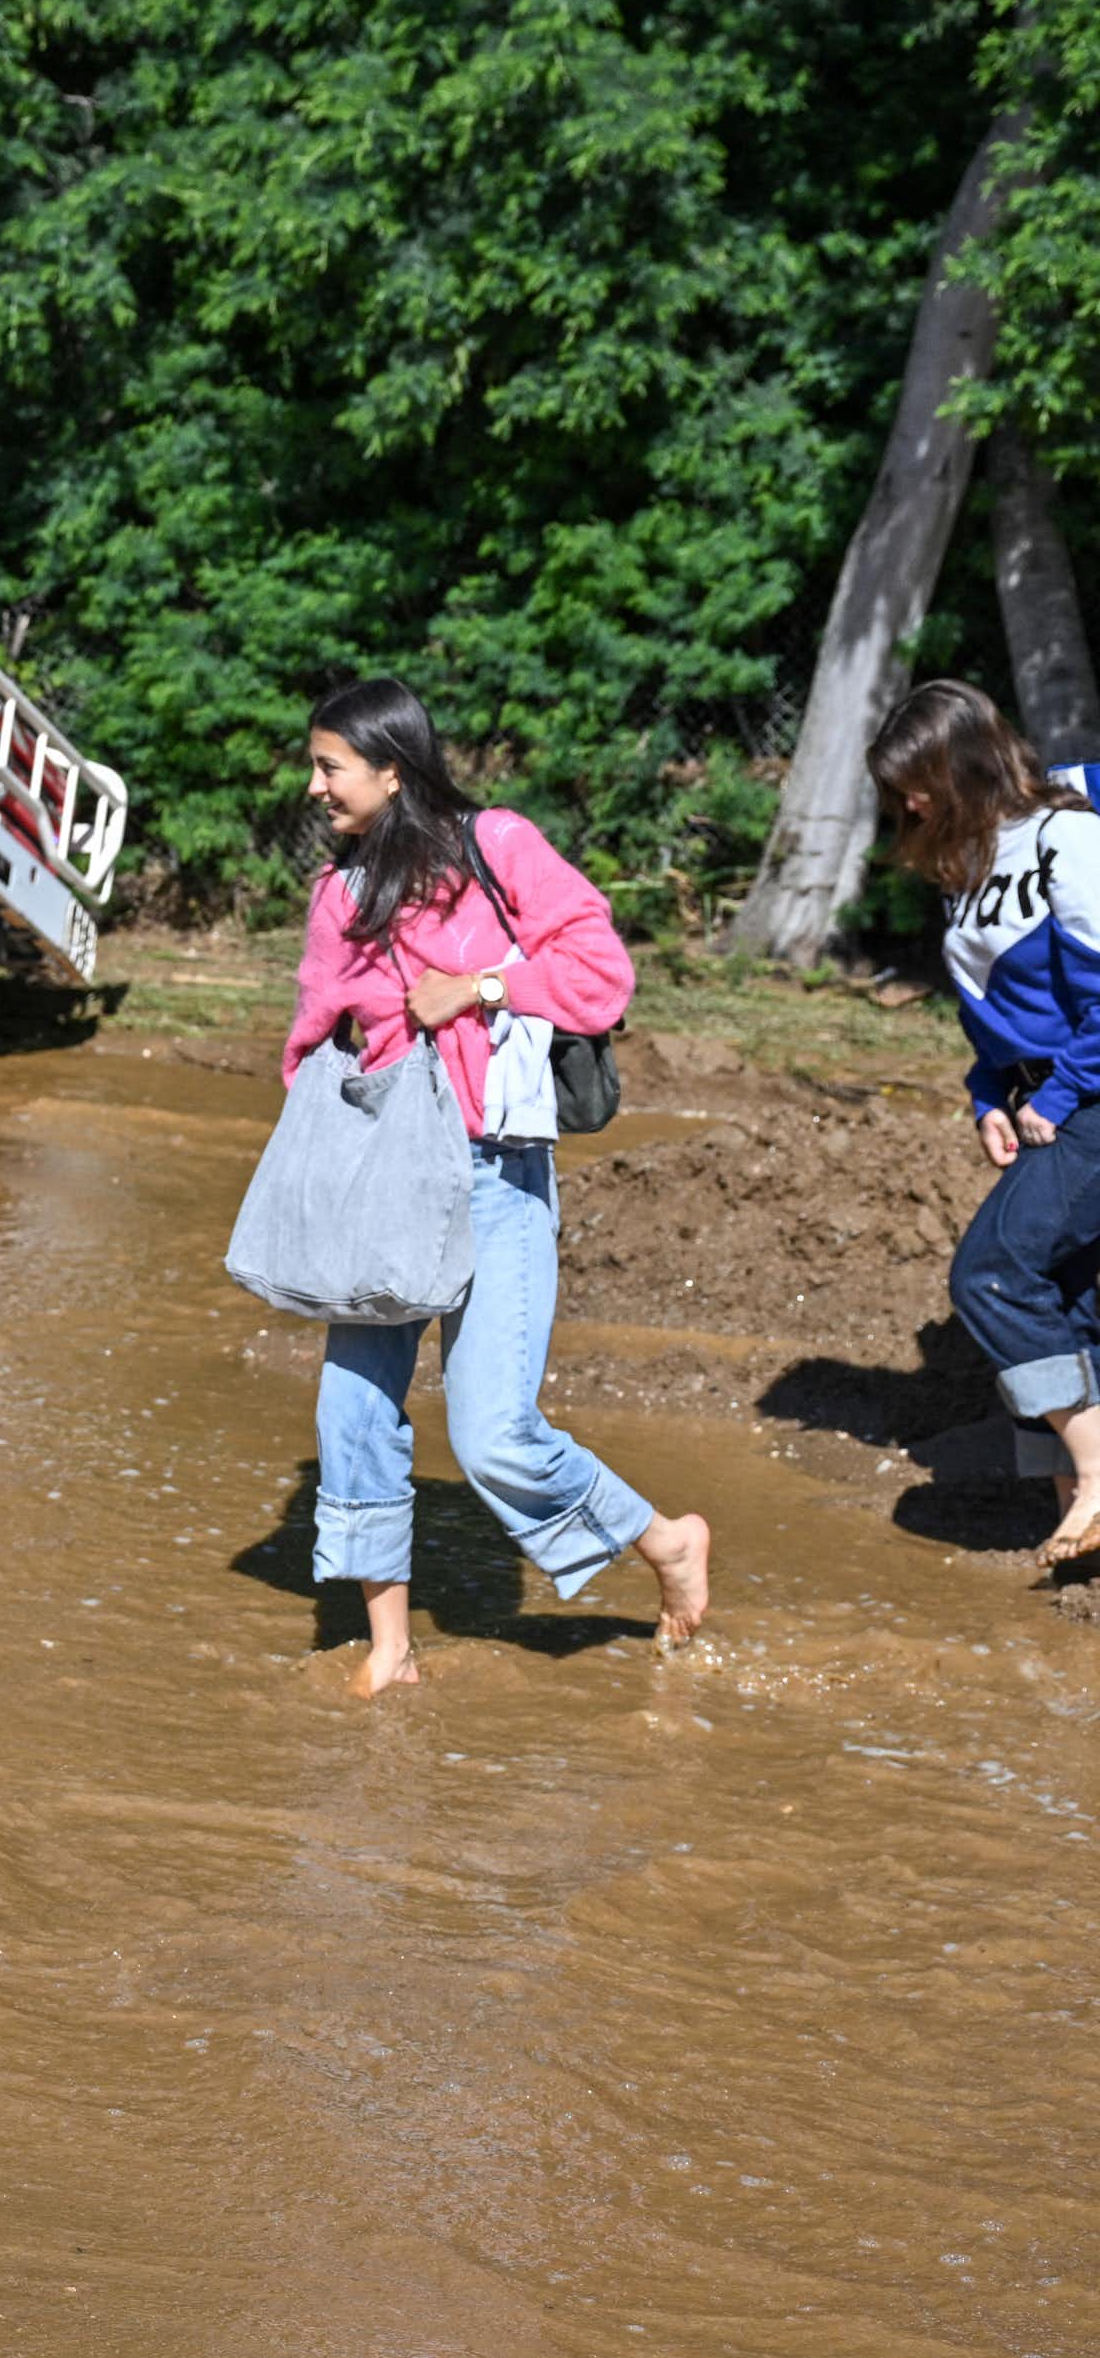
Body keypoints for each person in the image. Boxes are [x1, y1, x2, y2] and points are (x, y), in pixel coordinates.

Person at [281, 677, 713, 1696]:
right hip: (383, 1185)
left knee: (492, 1435)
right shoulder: (336, 898)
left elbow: (599, 975)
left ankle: (663, 1540)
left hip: (496, 1175)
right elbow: (306, 1046)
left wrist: (478, 987)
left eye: (329, 767)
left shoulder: (498, 847)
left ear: (392, 770)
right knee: (351, 1412)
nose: (313, 788)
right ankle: (389, 1651)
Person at [868, 679, 1100, 1562]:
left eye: (916, 783)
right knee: (1065, 1295)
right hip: (1047, 1098)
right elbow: (996, 1020)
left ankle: (1097, 1475)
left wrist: (1056, 1094)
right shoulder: (966, 863)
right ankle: (1073, 1513)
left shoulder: (1065, 836)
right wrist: (988, 1096)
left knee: (993, 1276)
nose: (909, 805)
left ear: (963, 761)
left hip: (1088, 1095)